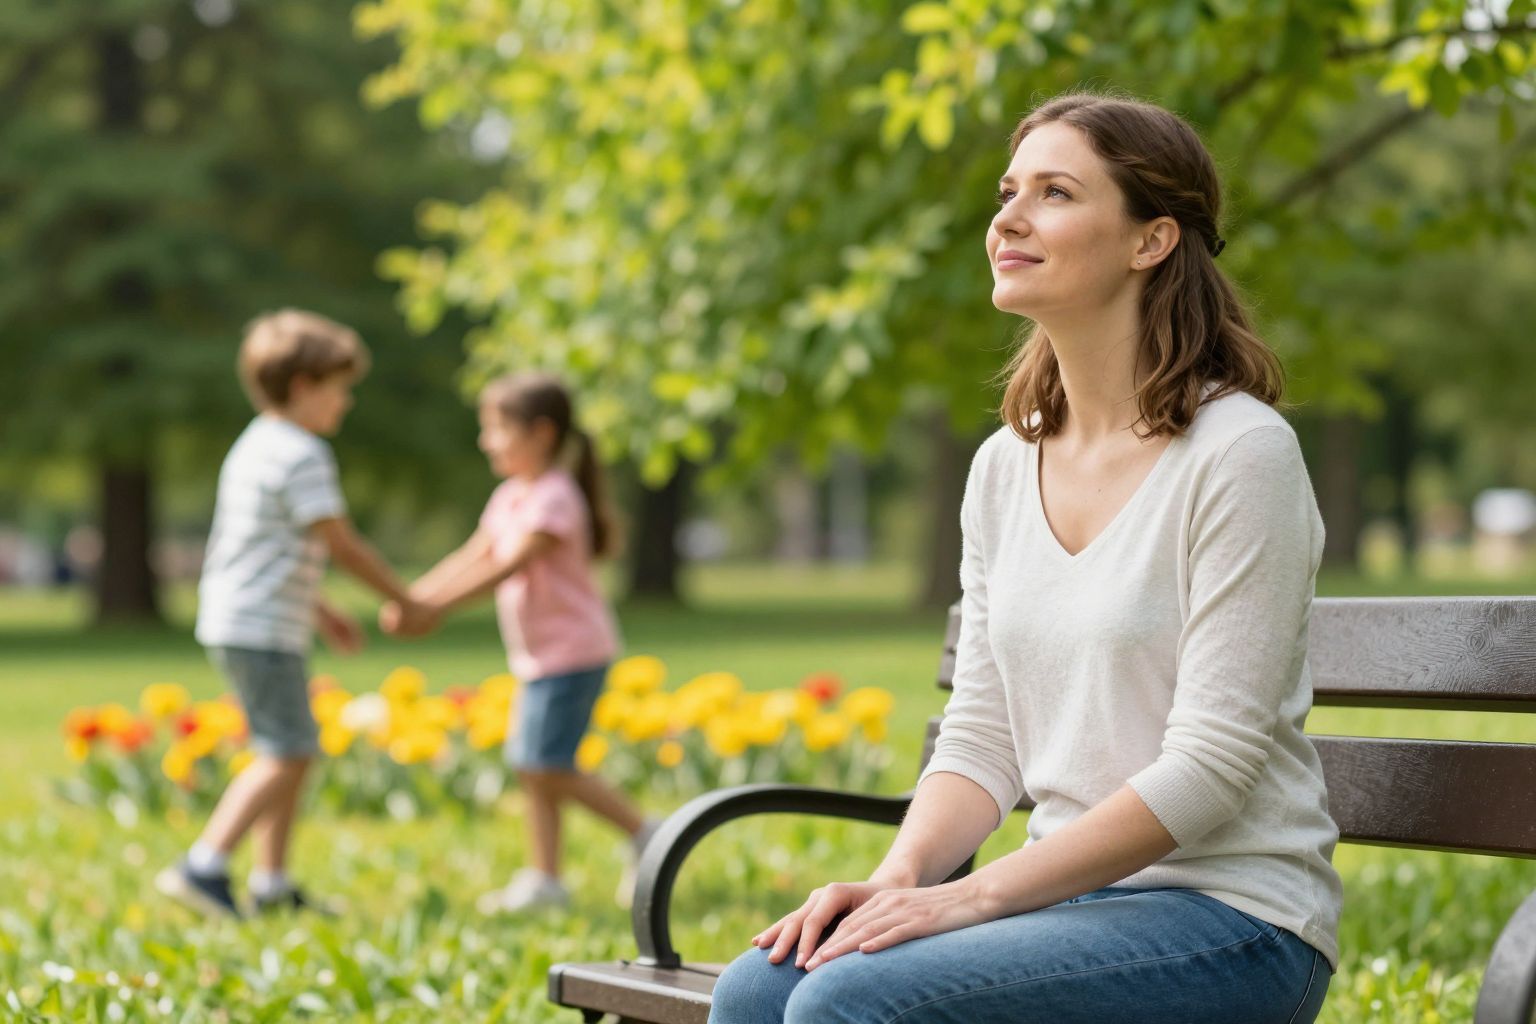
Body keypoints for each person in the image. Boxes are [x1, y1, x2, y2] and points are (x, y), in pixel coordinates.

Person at [708, 93, 1342, 1024]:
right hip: (1068, 905)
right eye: (1010, 192)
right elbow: (983, 733)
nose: (1008, 219)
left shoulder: (1239, 454)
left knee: (846, 1005)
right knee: (760, 989)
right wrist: (897, 880)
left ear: (1151, 240)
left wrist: (968, 897)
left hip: (1232, 921)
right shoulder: (1005, 466)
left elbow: (1210, 768)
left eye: (1054, 193)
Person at [156, 309, 432, 918]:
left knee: (285, 745)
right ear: (304, 387)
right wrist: (402, 596)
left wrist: (321, 608)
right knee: (288, 750)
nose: (347, 403)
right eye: (340, 389)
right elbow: (341, 542)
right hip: (258, 625)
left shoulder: (255, 443)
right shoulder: (302, 453)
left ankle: (272, 884)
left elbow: (268, 549)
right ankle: (203, 865)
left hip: (248, 617)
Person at [383, 371, 659, 913]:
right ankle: (546, 879)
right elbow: (476, 552)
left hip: (573, 652)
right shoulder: (512, 495)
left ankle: (645, 830)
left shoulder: (554, 499)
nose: (487, 441)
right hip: (541, 656)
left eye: (497, 428)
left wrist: (434, 609)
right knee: (536, 767)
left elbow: (508, 566)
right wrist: (412, 597)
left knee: (544, 764)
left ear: (541, 433)